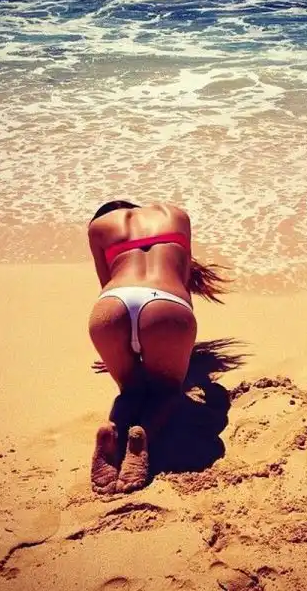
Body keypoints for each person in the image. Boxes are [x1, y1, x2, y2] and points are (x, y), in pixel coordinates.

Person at [87, 201, 229, 494]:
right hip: (166, 305)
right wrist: (175, 340)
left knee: (131, 391)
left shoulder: (98, 227)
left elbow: (107, 282)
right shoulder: (176, 215)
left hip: (112, 306)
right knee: (166, 392)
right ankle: (144, 434)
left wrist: (118, 352)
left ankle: (113, 430)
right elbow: (183, 281)